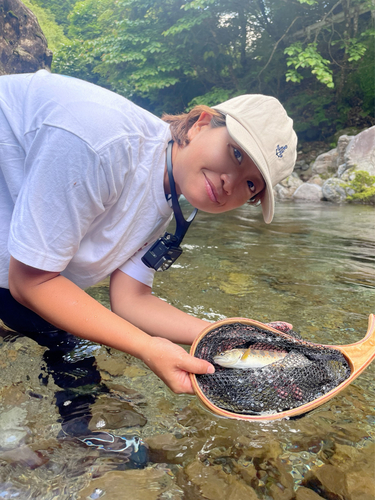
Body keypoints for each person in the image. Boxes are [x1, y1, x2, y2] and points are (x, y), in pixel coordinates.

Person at [0, 70, 297, 452]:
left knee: (71, 331)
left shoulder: (172, 189)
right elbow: (32, 282)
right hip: (21, 273)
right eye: (236, 152)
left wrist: (225, 335)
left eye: (251, 185)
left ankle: (75, 439)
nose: (232, 182)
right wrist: (146, 348)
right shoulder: (101, 142)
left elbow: (130, 298)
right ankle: (68, 448)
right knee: (71, 335)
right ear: (201, 123)